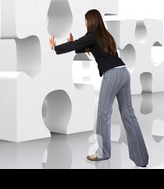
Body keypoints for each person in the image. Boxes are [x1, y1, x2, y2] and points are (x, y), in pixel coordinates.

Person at [49, 9, 149, 167]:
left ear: (90, 20)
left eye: (85, 20)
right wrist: (73, 43)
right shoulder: (105, 35)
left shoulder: (92, 35)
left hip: (112, 75)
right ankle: (142, 159)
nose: (84, 23)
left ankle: (102, 154)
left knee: (103, 114)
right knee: (129, 116)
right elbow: (87, 47)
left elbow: (78, 44)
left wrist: (56, 48)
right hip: (124, 72)